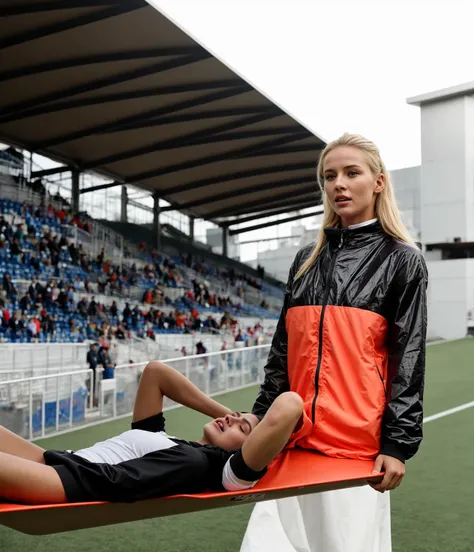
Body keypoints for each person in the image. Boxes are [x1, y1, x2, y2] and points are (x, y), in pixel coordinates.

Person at [240, 133, 428, 552]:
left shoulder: (402, 259)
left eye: (351, 173)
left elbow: (408, 357)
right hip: (291, 443)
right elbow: (281, 353)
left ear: (378, 182)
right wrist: (260, 418)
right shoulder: (306, 258)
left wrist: (397, 445)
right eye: (329, 176)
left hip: (353, 451)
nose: (338, 183)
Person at [0, 361, 303, 505]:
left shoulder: (220, 470)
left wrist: (256, 441)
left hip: (70, 480)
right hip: (54, 460)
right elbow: (155, 373)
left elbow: (289, 405)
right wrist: (230, 417)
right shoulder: (164, 440)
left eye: (241, 428)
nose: (230, 419)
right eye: (234, 417)